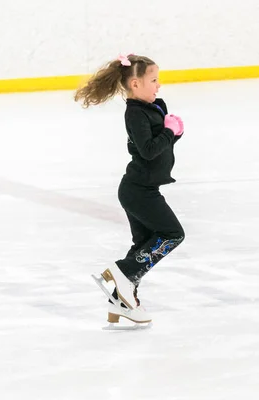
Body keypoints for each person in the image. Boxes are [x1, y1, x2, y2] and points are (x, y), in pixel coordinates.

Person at [75, 53, 186, 325]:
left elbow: (156, 146)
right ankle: (122, 272)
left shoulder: (152, 107)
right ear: (135, 84)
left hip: (141, 189)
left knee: (143, 246)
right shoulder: (135, 113)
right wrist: (169, 133)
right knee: (172, 234)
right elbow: (148, 151)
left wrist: (173, 134)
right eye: (153, 80)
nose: (158, 85)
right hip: (139, 191)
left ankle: (121, 301)